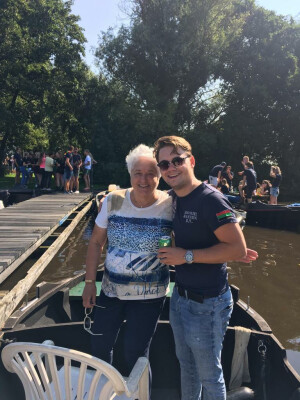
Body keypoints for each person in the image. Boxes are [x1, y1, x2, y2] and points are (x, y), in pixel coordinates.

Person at [153, 136, 257, 400]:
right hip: (180, 297)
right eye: (164, 164)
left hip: (208, 303)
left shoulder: (211, 200)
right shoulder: (172, 198)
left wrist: (185, 255)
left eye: (177, 160)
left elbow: (237, 249)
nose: (171, 168)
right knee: (186, 366)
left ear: (192, 161)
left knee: (209, 374)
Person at [82, 144, 173, 378]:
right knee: (99, 349)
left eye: (151, 173)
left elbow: (191, 234)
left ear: (160, 175)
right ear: (130, 174)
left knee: (136, 354)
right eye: (138, 173)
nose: (144, 179)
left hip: (150, 296)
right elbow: (95, 243)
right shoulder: (112, 201)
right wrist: (90, 282)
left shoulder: (171, 205)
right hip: (111, 290)